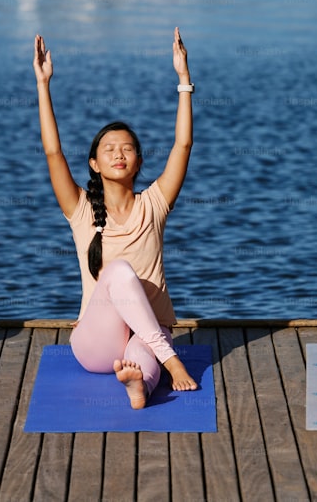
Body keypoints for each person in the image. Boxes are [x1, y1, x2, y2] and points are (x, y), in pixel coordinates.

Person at [33, 28, 199, 409]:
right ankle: (170, 361)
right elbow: (52, 151)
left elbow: (183, 145)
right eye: (109, 149)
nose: (119, 153)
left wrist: (184, 81)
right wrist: (43, 85)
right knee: (120, 271)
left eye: (127, 148)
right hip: (96, 343)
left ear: (139, 161)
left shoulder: (154, 204)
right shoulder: (80, 210)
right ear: (94, 163)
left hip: (146, 335)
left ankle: (138, 383)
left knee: (143, 358)